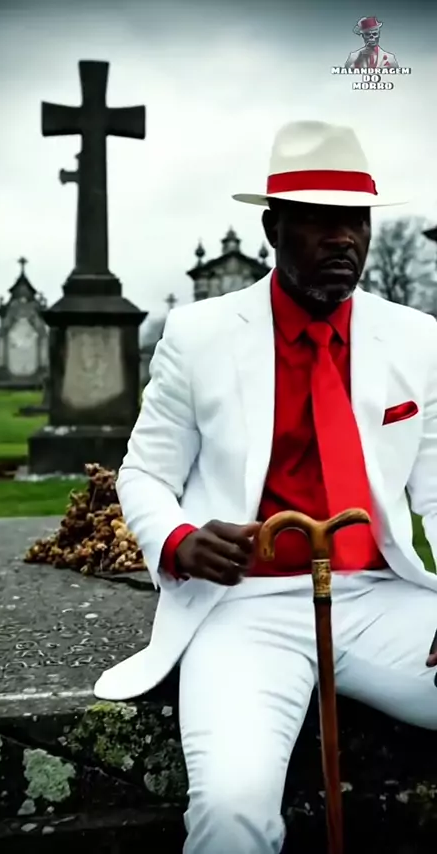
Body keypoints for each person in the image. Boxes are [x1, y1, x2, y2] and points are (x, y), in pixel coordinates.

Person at [94, 119, 437, 854]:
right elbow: (146, 472)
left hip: (379, 600)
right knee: (232, 810)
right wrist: (180, 542)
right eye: (318, 220)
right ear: (273, 227)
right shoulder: (199, 335)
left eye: (356, 220)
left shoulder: (417, 339)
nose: (343, 239)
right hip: (242, 610)